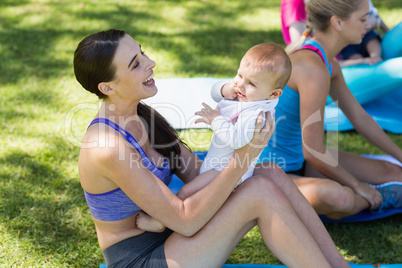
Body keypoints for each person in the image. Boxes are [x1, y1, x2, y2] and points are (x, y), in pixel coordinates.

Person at [73, 29, 350, 268]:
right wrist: (242, 159)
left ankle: (339, 265)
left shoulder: (144, 116)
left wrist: (245, 143)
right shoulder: (108, 147)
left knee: (269, 172)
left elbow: (196, 172)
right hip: (142, 259)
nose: (151, 63)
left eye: (143, 53)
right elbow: (185, 221)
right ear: (107, 87)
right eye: (136, 64)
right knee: (258, 191)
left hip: (169, 238)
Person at [253, 0, 402, 220]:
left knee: (395, 173)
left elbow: (360, 117)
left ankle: (374, 193)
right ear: (337, 23)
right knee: (341, 198)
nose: (369, 25)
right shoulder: (312, 69)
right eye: (362, 19)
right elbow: (312, 150)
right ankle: (372, 198)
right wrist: (358, 185)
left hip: (299, 163)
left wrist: (400, 156)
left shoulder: (328, 63)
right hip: (263, 172)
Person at [183, 43, 289, 193]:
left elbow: (237, 140)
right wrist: (224, 89)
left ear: (273, 94)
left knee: (186, 193)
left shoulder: (256, 114)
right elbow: (215, 92)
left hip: (227, 175)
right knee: (193, 196)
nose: (240, 84)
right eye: (240, 75)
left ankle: (159, 217)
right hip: (217, 168)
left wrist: (215, 120)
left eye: (251, 83)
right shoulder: (247, 96)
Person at [280, 0, 402, 106]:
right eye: (363, 19)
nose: (368, 25)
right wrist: (359, 61)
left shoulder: (331, 65)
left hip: (351, 56)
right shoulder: (320, 69)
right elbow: (301, 53)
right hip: (346, 65)